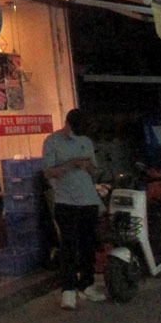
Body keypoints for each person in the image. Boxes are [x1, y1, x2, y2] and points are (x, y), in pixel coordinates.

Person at [42, 108, 106, 309]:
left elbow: (95, 171)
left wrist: (88, 166)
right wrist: (71, 164)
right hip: (66, 202)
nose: (78, 134)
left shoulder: (85, 141)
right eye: (75, 129)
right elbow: (48, 172)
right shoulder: (52, 141)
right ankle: (68, 290)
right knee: (68, 246)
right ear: (68, 124)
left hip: (89, 201)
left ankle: (87, 284)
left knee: (88, 245)